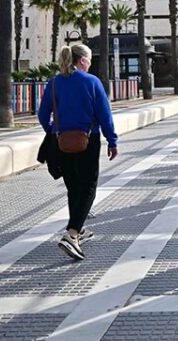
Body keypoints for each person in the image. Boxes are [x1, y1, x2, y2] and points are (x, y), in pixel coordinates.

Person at [38, 44, 119, 260]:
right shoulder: (92, 82)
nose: (90, 64)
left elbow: (42, 114)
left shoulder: (54, 83)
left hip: (61, 142)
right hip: (87, 140)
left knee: (73, 187)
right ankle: (72, 234)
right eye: (90, 60)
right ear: (82, 60)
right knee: (88, 187)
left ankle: (79, 229)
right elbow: (105, 115)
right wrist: (112, 140)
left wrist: (54, 131)